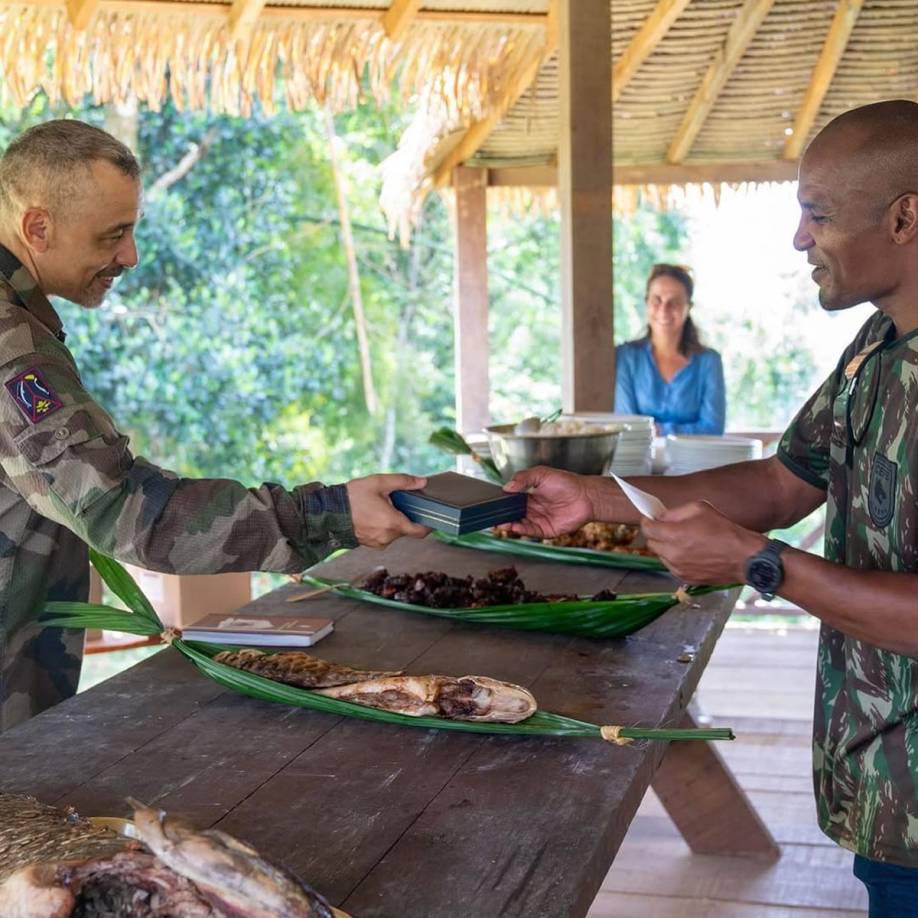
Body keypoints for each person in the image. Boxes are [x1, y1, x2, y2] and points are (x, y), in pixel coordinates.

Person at [505, 99, 918, 915]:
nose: (801, 239)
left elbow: (770, 535)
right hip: (885, 784)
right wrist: (597, 498)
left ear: (906, 217)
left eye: (818, 214)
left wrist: (759, 564)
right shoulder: (875, 348)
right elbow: (778, 484)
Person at [0, 120, 430, 732]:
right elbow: (119, 509)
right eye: (113, 235)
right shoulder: (11, 346)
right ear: (37, 228)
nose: (130, 256)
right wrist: (328, 513)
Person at [614, 263, 726, 434]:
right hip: (637, 459)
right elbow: (625, 426)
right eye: (656, 299)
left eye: (674, 302)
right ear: (646, 302)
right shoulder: (626, 357)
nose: (664, 309)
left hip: (698, 460)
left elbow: (713, 428)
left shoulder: (709, 361)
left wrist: (657, 431)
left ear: (688, 307)